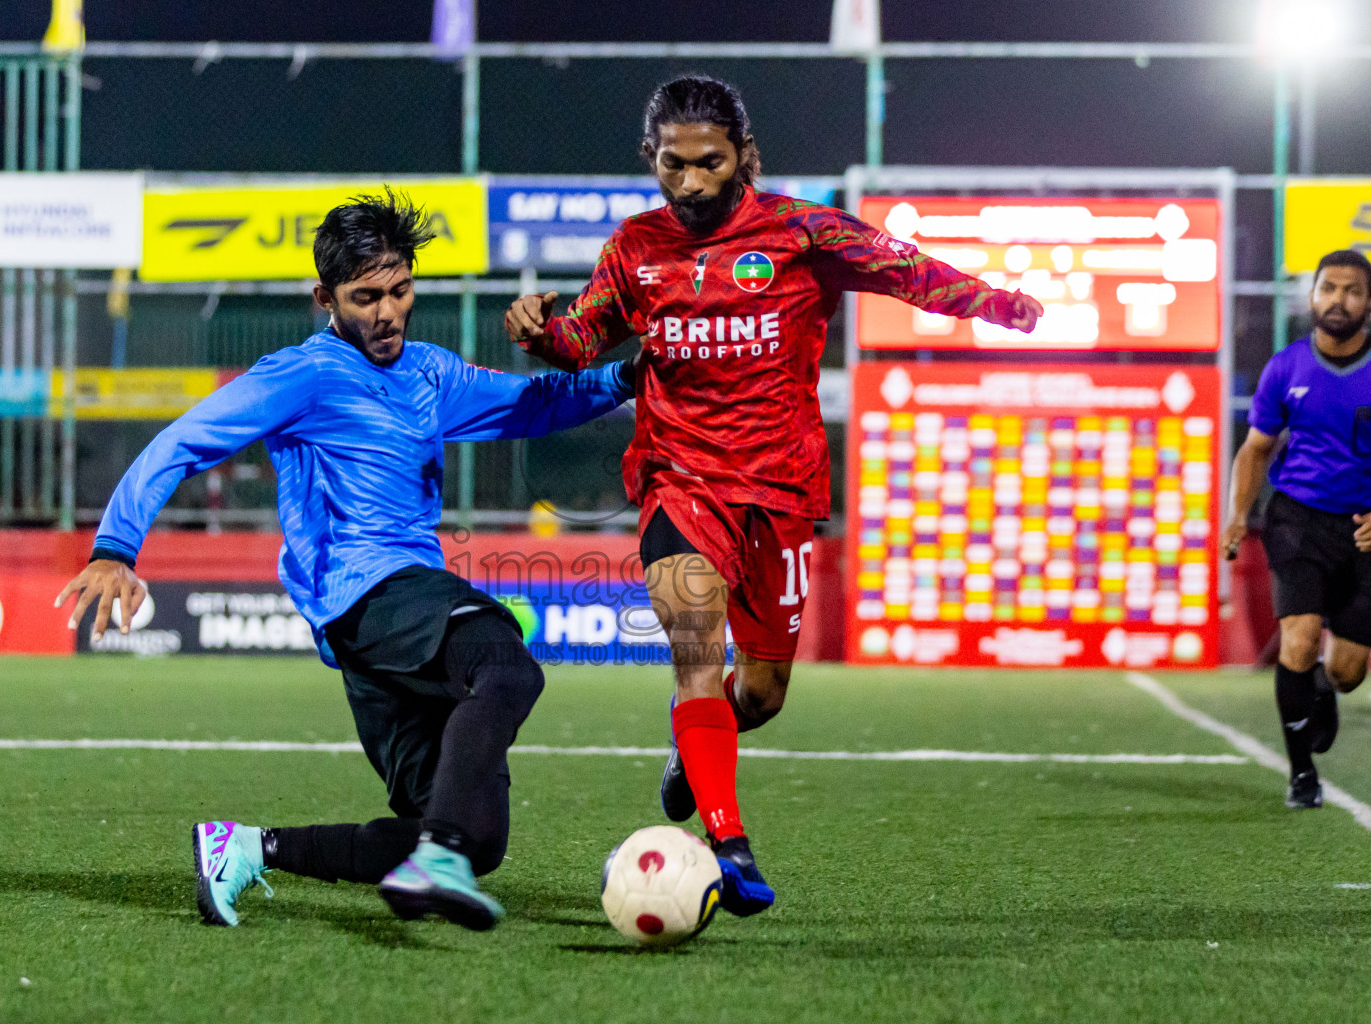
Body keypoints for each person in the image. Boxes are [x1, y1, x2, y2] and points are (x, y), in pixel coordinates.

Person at [504, 74, 1042, 915]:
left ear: (745, 156)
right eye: (671, 166)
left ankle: (697, 750)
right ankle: (730, 844)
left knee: (760, 693)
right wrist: (544, 331)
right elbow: (583, 337)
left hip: (780, 488)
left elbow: (906, 271)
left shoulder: (802, 233)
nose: (689, 184)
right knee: (693, 650)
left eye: (709, 163)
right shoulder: (636, 248)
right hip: (679, 481)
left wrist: (1004, 305)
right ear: (651, 160)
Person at [56, 191, 636, 930]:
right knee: (508, 666)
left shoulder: (430, 373)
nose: (388, 311)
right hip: (365, 594)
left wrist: (631, 376)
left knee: (474, 835)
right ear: (325, 298)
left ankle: (247, 848)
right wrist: (115, 546)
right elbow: (183, 441)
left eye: (400, 291)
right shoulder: (302, 375)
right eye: (366, 297)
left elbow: (535, 403)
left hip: (386, 626)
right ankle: (438, 858)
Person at [1224, 248, 1371, 810]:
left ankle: (1325, 689)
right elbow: (1256, 449)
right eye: (1329, 288)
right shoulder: (1286, 367)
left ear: (1367, 302)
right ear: (1312, 297)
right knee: (1300, 640)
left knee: (1348, 671)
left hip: (1362, 530)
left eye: (1352, 290)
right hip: (1299, 521)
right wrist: (1239, 516)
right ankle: (1302, 773)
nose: (1339, 300)